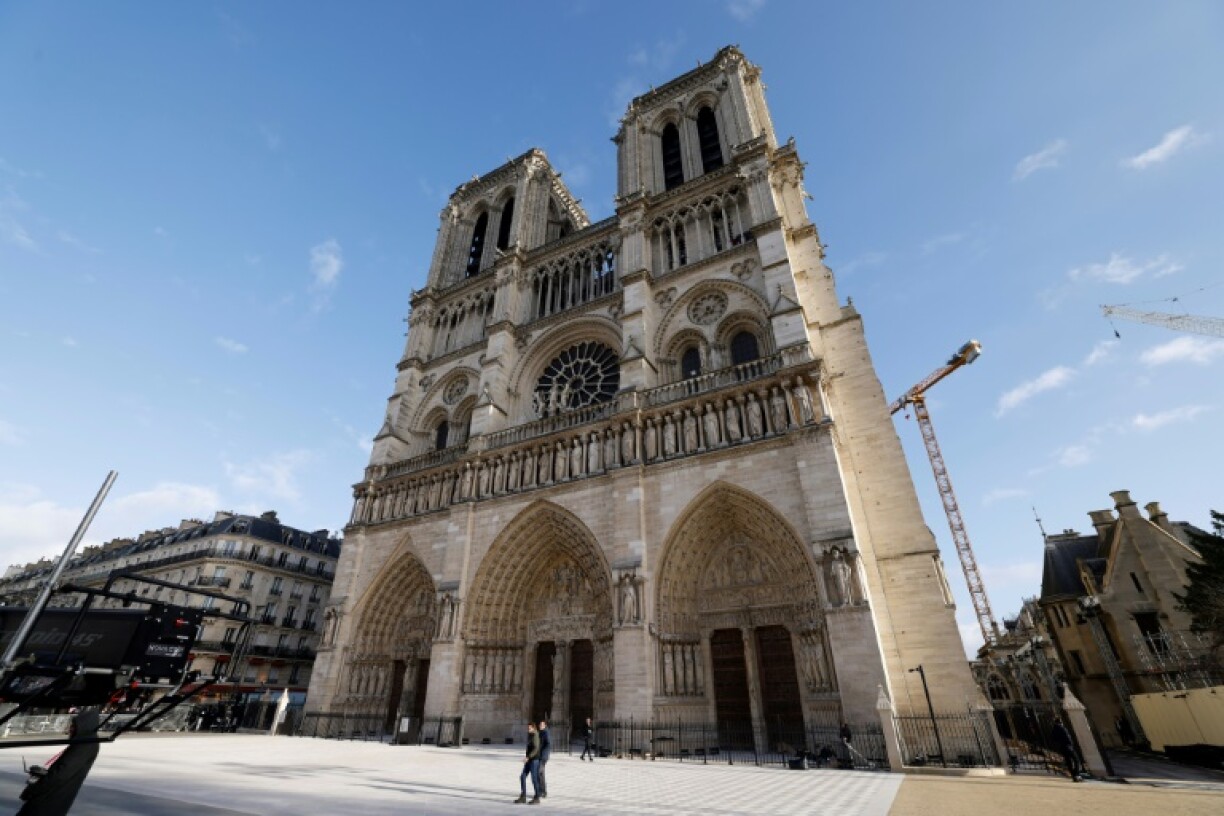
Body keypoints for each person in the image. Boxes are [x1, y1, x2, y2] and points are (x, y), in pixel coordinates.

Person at [18, 708, 101, 815]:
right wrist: (44, 773)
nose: (70, 729)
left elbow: (61, 774)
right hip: (53, 800)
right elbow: (63, 769)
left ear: (84, 726)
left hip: (48, 802)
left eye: (74, 726)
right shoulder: (85, 742)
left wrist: (35, 790)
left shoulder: (85, 745)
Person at [515, 722, 541, 804]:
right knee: (522, 776)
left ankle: (537, 797)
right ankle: (523, 796)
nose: (528, 729)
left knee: (534, 779)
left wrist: (528, 757)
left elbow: (536, 748)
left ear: (534, 728)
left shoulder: (536, 735)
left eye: (530, 728)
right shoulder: (530, 735)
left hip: (534, 760)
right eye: (528, 728)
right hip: (529, 760)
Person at [537, 720, 551, 798]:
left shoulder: (546, 733)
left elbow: (548, 744)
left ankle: (542, 791)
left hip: (543, 757)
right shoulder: (541, 732)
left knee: (539, 772)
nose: (540, 726)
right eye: (540, 724)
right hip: (540, 756)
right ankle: (542, 791)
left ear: (545, 725)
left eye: (542, 725)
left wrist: (543, 754)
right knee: (541, 773)